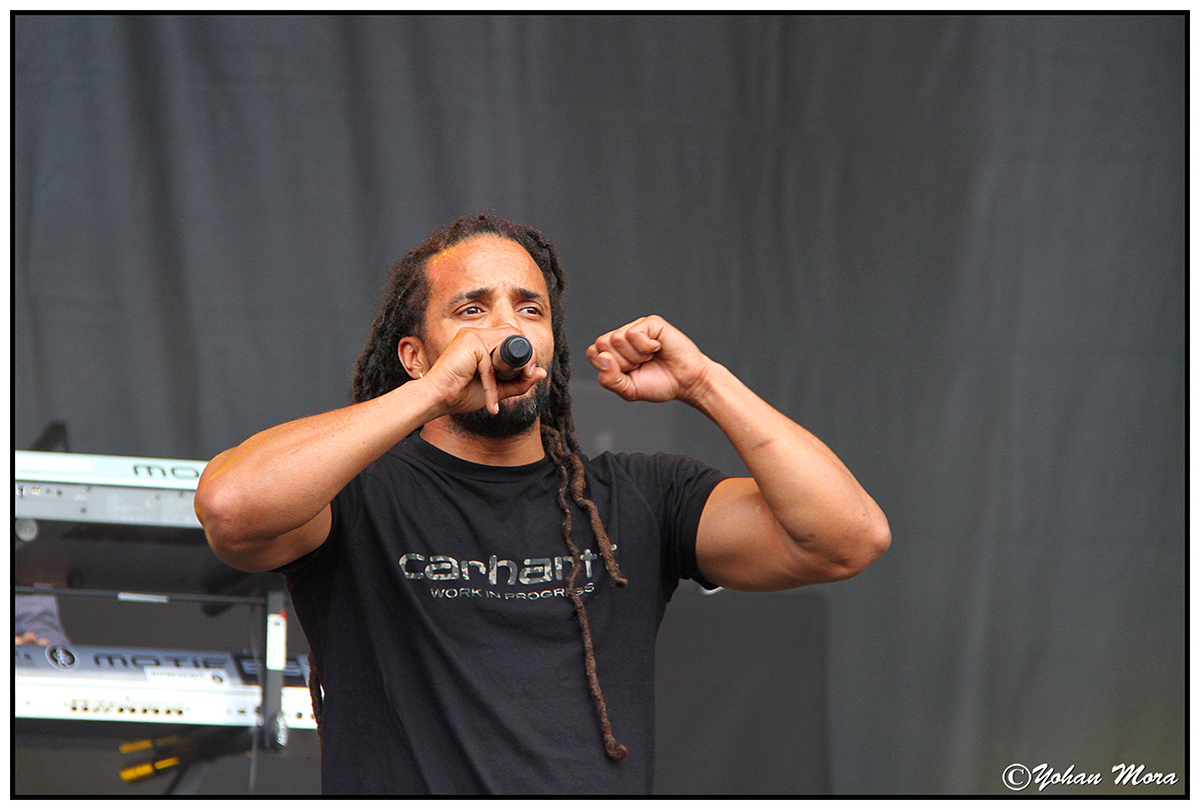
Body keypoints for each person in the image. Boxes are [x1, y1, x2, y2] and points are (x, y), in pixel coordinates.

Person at [195, 213, 890, 794]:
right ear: (415, 355)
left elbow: (848, 537)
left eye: (530, 308)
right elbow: (229, 505)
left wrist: (705, 383)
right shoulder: (356, 494)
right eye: (472, 309)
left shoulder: (639, 496)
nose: (507, 327)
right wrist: (431, 394)